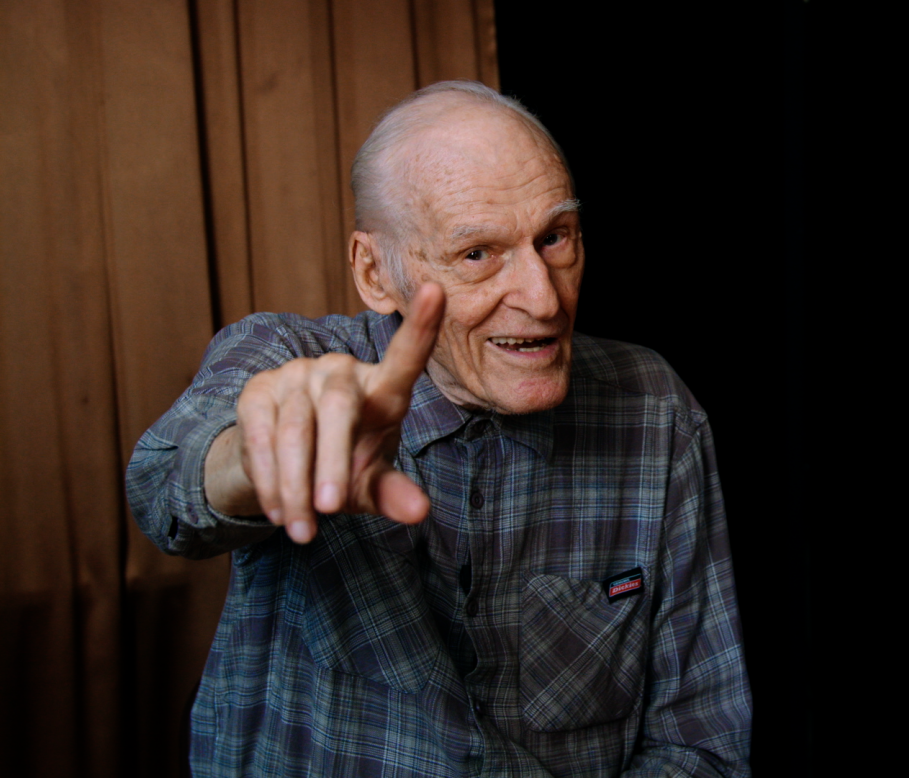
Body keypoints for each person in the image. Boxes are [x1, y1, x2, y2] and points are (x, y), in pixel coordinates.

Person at [126, 81, 751, 777]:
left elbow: (700, 744)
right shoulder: (290, 357)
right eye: (477, 254)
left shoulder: (655, 412)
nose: (543, 299)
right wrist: (265, 455)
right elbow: (162, 486)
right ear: (375, 272)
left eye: (555, 237)